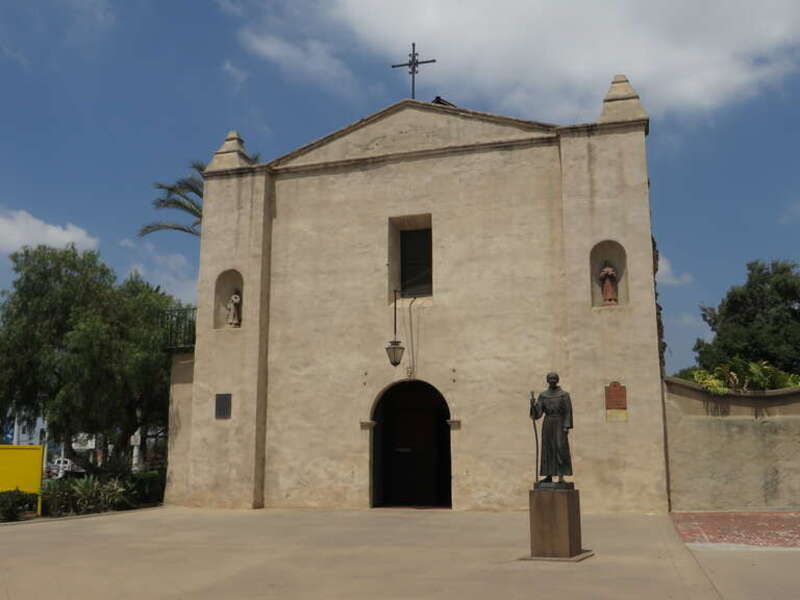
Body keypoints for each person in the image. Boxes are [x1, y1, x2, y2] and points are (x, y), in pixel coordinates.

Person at [530, 372, 573, 483]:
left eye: (554, 378)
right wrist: (533, 406)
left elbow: (568, 412)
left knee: (560, 448)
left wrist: (566, 426)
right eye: (550, 378)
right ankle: (548, 475)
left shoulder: (564, 395)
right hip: (548, 423)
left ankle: (561, 475)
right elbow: (537, 414)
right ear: (547, 380)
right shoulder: (543, 396)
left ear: (557, 380)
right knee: (547, 448)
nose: (552, 380)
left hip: (559, 423)